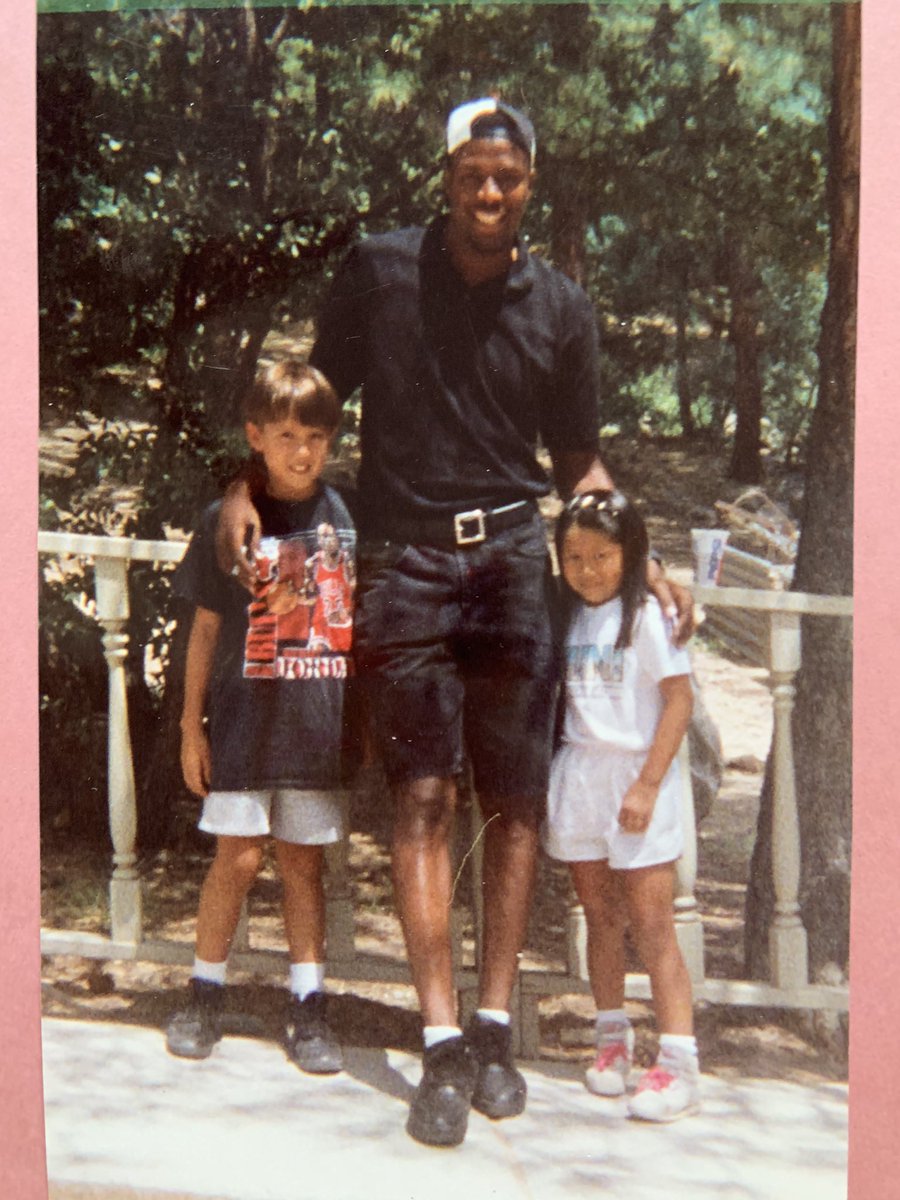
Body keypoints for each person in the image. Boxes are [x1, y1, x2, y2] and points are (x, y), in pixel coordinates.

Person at [216, 98, 692, 1147]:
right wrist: (248, 479)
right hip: (406, 561)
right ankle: (438, 1043)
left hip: (518, 561)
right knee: (424, 797)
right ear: (446, 177)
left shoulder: (563, 308)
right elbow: (312, 398)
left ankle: (491, 1029)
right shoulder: (380, 272)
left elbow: (578, 463)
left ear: (529, 185)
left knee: (515, 804)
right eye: (474, 175)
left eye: (509, 178)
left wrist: (640, 549)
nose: (490, 193)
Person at [166, 359, 355, 1076]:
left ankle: (308, 1008)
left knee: (303, 867)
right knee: (237, 859)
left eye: (315, 436)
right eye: (284, 434)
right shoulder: (227, 522)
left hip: (313, 725)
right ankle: (204, 992)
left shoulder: (346, 516)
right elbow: (207, 631)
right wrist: (191, 726)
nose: (301, 451)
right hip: (243, 725)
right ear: (255, 436)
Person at [543, 490, 699, 1122]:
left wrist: (647, 785)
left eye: (601, 555)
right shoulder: (569, 613)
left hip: (636, 779)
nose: (587, 568)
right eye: (573, 555)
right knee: (598, 917)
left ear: (630, 554)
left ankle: (681, 1062)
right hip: (581, 774)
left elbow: (679, 701)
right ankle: (613, 1041)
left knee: (653, 924)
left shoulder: (647, 617)